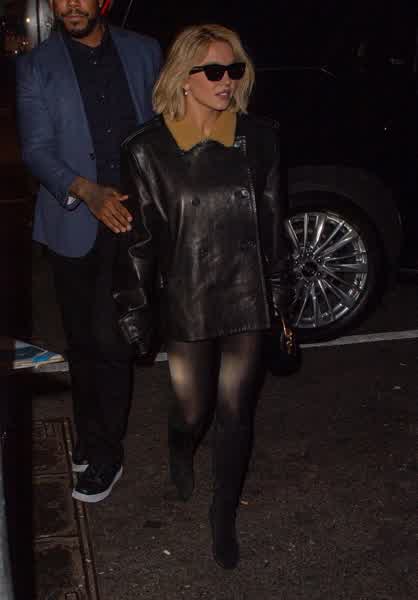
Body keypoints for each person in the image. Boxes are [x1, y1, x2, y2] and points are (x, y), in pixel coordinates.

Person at [113, 24, 292, 569]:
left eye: (234, 70)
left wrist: (280, 295)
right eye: (214, 70)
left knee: (236, 411)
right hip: (187, 296)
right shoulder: (147, 149)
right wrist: (135, 310)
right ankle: (180, 445)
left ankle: (223, 513)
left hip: (246, 293)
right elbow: (140, 241)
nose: (226, 80)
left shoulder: (259, 139)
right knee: (194, 409)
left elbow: (273, 223)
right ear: (183, 78)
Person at [16, 0, 162, 503]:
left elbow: (165, 126)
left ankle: (106, 454)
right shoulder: (36, 65)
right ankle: (89, 431)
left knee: (111, 339)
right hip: (73, 220)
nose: (70, 4)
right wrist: (87, 191)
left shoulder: (145, 52)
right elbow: (36, 149)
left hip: (131, 221)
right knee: (81, 343)